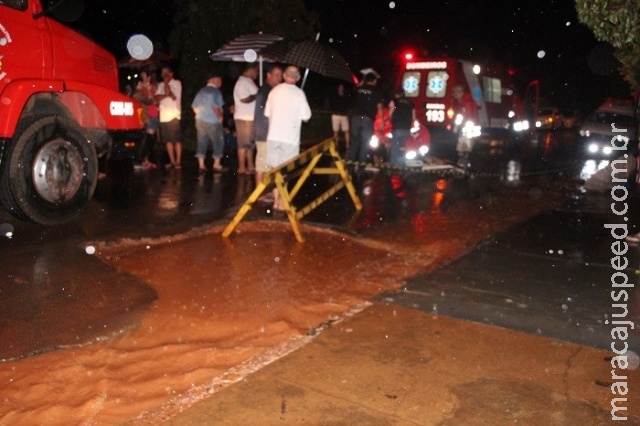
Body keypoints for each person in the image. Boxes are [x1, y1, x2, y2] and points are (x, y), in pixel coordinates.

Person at [264, 65, 312, 211]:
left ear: (284, 76)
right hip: (289, 139)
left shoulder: (274, 91)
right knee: (285, 172)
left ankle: (276, 202)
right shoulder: (299, 94)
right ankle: (281, 203)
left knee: (274, 171)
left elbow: (267, 113)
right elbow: (307, 117)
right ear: (298, 78)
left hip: (273, 137)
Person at [251, 64, 283, 190]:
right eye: (276, 75)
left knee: (266, 163)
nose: (279, 78)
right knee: (262, 162)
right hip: (264, 132)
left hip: (266, 131)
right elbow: (266, 112)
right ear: (268, 75)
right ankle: (259, 192)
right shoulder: (266, 91)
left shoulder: (269, 90)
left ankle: (262, 191)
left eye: (281, 75)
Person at [191, 72, 226, 173]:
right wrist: (220, 117)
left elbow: (194, 107)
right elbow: (215, 107)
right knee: (218, 142)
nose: (220, 82)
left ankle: (201, 165)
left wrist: (203, 114)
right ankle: (217, 164)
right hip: (213, 121)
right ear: (213, 80)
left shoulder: (201, 91)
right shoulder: (216, 92)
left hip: (200, 120)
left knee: (202, 142)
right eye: (219, 80)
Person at [350, 71, 385, 165]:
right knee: (365, 145)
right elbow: (379, 107)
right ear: (374, 81)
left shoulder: (359, 88)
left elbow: (354, 90)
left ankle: (349, 168)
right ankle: (360, 170)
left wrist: (361, 83)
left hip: (355, 118)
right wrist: (382, 120)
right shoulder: (376, 91)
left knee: (354, 143)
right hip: (367, 120)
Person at [233, 63, 259, 174]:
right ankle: (242, 167)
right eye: (256, 70)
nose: (257, 73)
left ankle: (250, 166)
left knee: (249, 143)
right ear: (251, 70)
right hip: (244, 118)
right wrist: (257, 95)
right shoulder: (242, 82)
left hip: (249, 117)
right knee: (244, 143)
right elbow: (244, 99)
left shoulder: (248, 82)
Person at [154, 65, 182, 169]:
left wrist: (167, 86)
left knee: (176, 140)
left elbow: (173, 96)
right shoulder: (160, 85)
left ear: (171, 74)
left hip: (174, 115)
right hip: (163, 116)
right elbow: (155, 98)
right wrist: (166, 94)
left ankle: (178, 161)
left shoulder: (176, 83)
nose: (163, 75)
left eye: (165, 73)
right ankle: (172, 161)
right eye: (162, 73)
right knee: (167, 140)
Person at [133, 69, 159, 169]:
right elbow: (149, 101)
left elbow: (156, 99)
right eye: (142, 76)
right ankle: (140, 161)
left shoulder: (153, 87)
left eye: (144, 76)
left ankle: (145, 160)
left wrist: (149, 90)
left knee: (148, 139)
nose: (143, 78)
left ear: (149, 77)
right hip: (146, 116)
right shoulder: (140, 91)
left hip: (152, 115)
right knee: (146, 139)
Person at [388, 89, 415, 167]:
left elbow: (390, 114)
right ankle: (402, 165)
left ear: (396, 94)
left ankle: (391, 166)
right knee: (401, 147)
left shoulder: (394, 102)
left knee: (394, 147)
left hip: (398, 128)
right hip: (407, 129)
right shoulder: (410, 104)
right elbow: (413, 118)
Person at [329, 83, 351, 150]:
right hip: (335, 115)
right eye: (340, 87)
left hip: (344, 115)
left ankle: (347, 145)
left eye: (342, 87)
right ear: (338, 88)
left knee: (346, 130)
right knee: (336, 131)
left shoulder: (346, 96)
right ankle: (336, 145)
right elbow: (332, 104)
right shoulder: (334, 95)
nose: (341, 88)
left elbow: (348, 104)